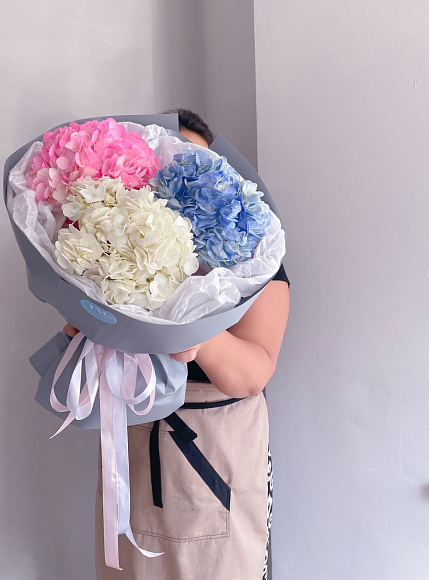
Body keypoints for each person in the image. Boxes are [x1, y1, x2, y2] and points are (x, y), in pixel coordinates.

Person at [63, 109, 290, 579]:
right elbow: (76, 335)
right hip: (136, 436)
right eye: (171, 160)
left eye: (198, 161)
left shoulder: (256, 261)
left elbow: (251, 373)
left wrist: (184, 327)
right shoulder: (120, 251)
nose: (186, 177)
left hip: (220, 451)